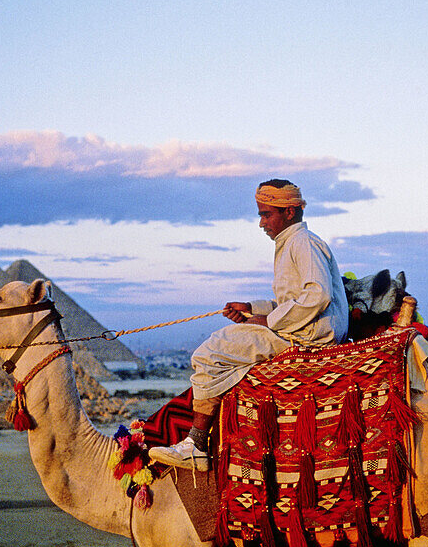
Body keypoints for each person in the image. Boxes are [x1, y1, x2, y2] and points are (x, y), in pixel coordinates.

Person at [149, 179, 350, 470]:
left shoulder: (302, 243)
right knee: (227, 340)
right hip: (299, 328)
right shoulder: (292, 243)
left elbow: (317, 295)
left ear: (289, 212)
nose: (261, 223)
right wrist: (251, 309)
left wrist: (267, 320)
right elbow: (293, 301)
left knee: (209, 353)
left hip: (309, 337)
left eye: (266, 214)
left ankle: (195, 443)